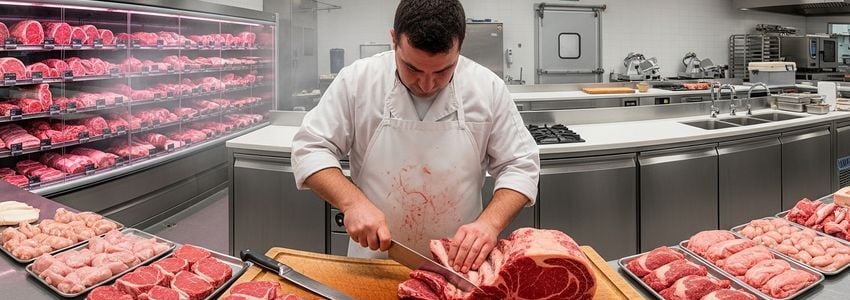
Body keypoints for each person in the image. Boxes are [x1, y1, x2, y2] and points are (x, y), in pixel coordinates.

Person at [291, 0, 539, 274]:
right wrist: (352, 202)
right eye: (413, 69)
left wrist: (489, 224)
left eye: (444, 70)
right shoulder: (358, 81)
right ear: (393, 39)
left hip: (458, 264)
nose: (427, 84)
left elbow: (520, 164)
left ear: (461, 43)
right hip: (376, 259)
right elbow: (310, 147)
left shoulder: (487, 88)